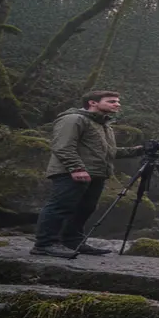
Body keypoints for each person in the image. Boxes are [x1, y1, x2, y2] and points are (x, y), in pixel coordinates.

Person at [30, 91, 143, 258]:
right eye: (111, 101)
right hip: (71, 172)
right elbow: (62, 146)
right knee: (60, 206)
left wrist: (138, 150)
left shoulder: (103, 125)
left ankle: (73, 241)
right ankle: (44, 244)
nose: (117, 104)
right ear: (93, 103)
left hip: (95, 173)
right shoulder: (73, 119)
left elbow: (108, 153)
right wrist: (76, 168)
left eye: (118, 101)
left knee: (85, 208)